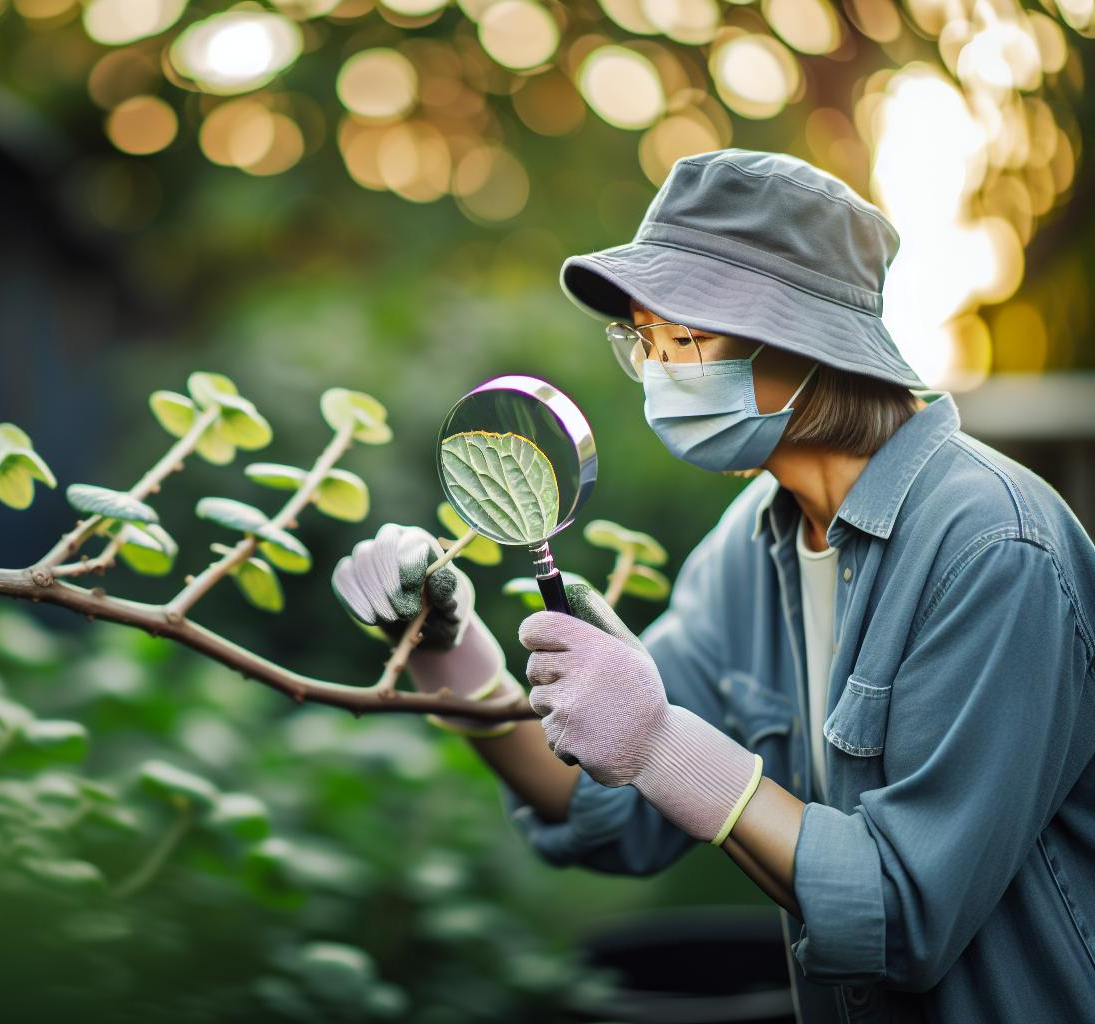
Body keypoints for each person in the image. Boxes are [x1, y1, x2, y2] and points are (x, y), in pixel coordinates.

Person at [332, 149, 1095, 1022]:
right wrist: (449, 655)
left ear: (805, 340)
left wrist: (665, 745)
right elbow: (599, 808)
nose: (662, 371)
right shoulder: (751, 546)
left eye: (686, 340)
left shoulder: (994, 549)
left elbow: (901, 916)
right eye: (645, 342)